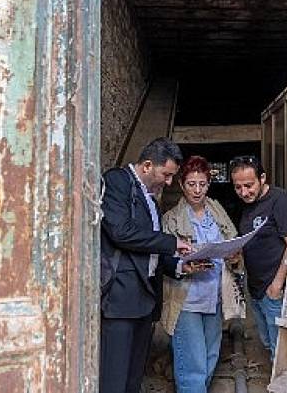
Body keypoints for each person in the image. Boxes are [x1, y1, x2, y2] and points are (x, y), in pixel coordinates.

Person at [100, 137, 198, 393]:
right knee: (114, 380)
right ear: (147, 166)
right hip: (120, 300)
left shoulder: (150, 199)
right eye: (166, 175)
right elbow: (121, 232)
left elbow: (149, 248)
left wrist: (178, 266)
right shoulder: (117, 182)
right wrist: (172, 242)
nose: (169, 182)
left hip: (144, 299)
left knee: (134, 378)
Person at [161, 155, 246, 393]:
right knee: (193, 366)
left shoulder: (217, 213)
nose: (197, 190)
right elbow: (163, 260)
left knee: (210, 357)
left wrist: (234, 257)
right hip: (186, 300)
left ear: (209, 184)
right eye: (191, 184)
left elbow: (233, 244)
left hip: (214, 297)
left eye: (202, 184)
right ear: (181, 184)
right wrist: (184, 265)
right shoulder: (171, 219)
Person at [230, 155, 287, 361]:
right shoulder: (248, 204)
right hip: (256, 288)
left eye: (249, 185)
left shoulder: (280, 200)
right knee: (267, 343)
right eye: (238, 187)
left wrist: (277, 285)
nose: (244, 192)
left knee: (280, 350)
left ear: (262, 178)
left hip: (274, 289)